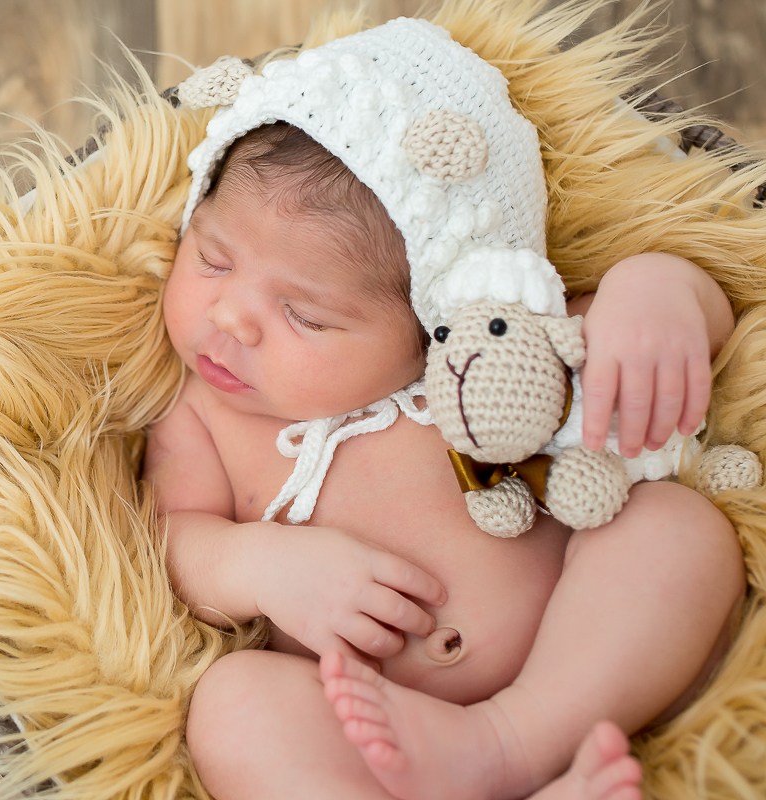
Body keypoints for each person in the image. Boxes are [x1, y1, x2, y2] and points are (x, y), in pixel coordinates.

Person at [142, 17, 745, 800]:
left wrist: (656, 292)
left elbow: (694, 319)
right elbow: (172, 540)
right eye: (212, 259)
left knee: (676, 530)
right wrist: (262, 565)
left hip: (577, 667)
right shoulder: (200, 415)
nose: (230, 320)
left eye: (307, 316)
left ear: (431, 311)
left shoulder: (488, 349)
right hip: (362, 725)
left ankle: (514, 743)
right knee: (232, 708)